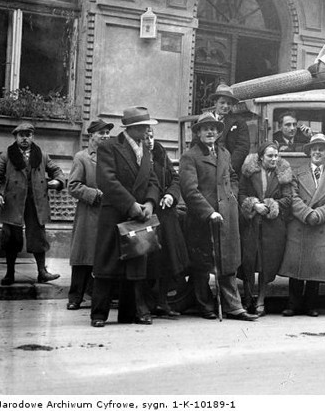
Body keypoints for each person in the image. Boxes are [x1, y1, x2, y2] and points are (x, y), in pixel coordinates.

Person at [180, 112, 258, 322]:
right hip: (202, 218)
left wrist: (230, 195)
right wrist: (208, 211)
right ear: (198, 133)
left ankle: (234, 307)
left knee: (228, 262)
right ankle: (205, 305)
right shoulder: (191, 156)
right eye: (205, 129)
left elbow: (232, 176)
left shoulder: (223, 153)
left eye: (213, 129)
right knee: (203, 266)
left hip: (226, 216)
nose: (210, 132)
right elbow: (189, 190)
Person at [91, 106, 160, 327]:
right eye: (143, 127)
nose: (147, 131)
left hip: (139, 215)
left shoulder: (147, 151)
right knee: (107, 264)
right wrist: (131, 205)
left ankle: (132, 313)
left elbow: (153, 181)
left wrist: (149, 203)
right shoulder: (109, 147)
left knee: (136, 262)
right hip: (115, 213)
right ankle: (99, 314)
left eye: (147, 127)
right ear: (132, 128)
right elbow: (107, 180)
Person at [0, 122, 65, 286]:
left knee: (38, 236)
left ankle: (42, 272)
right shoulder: (6, 156)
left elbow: (57, 171)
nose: (25, 138)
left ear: (32, 137)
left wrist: (57, 181)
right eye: (21, 135)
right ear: (16, 137)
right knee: (11, 237)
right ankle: (10, 274)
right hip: (13, 201)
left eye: (28, 135)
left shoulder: (42, 155)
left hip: (36, 201)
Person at [278, 133, 325, 317]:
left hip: (320, 226)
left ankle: (311, 305)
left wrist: (319, 214)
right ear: (309, 152)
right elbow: (293, 197)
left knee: (315, 268)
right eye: (314, 149)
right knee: (296, 267)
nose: (317, 152)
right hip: (300, 224)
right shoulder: (297, 173)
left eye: (321, 149)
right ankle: (293, 304)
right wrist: (307, 214)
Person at [238, 141, 293, 317]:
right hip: (251, 224)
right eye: (270, 156)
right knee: (248, 261)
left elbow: (288, 198)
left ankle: (261, 299)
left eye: (276, 155)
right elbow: (241, 193)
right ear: (261, 157)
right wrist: (254, 205)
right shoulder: (249, 172)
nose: (274, 159)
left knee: (266, 264)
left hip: (272, 226)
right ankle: (247, 298)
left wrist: (270, 206)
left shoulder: (283, 174)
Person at [66, 119, 113, 310]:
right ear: (91, 135)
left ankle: (102, 298)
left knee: (104, 256)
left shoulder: (112, 156)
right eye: (101, 133)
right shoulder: (82, 157)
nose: (105, 136)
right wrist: (94, 194)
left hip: (108, 213)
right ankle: (75, 297)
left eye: (107, 133)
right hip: (89, 213)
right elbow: (73, 185)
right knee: (83, 257)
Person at [144, 127, 189, 317]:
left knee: (167, 259)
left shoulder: (160, 153)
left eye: (152, 136)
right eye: (146, 137)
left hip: (166, 215)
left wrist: (171, 194)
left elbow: (176, 178)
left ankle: (162, 301)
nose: (149, 141)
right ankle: (145, 303)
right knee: (147, 260)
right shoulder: (136, 156)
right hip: (148, 213)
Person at [209, 84, 249, 173]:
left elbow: (242, 148)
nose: (226, 106)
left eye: (229, 103)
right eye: (222, 102)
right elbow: (196, 144)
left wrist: (230, 168)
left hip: (229, 169)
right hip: (207, 168)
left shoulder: (239, 122)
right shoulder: (205, 120)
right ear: (215, 103)